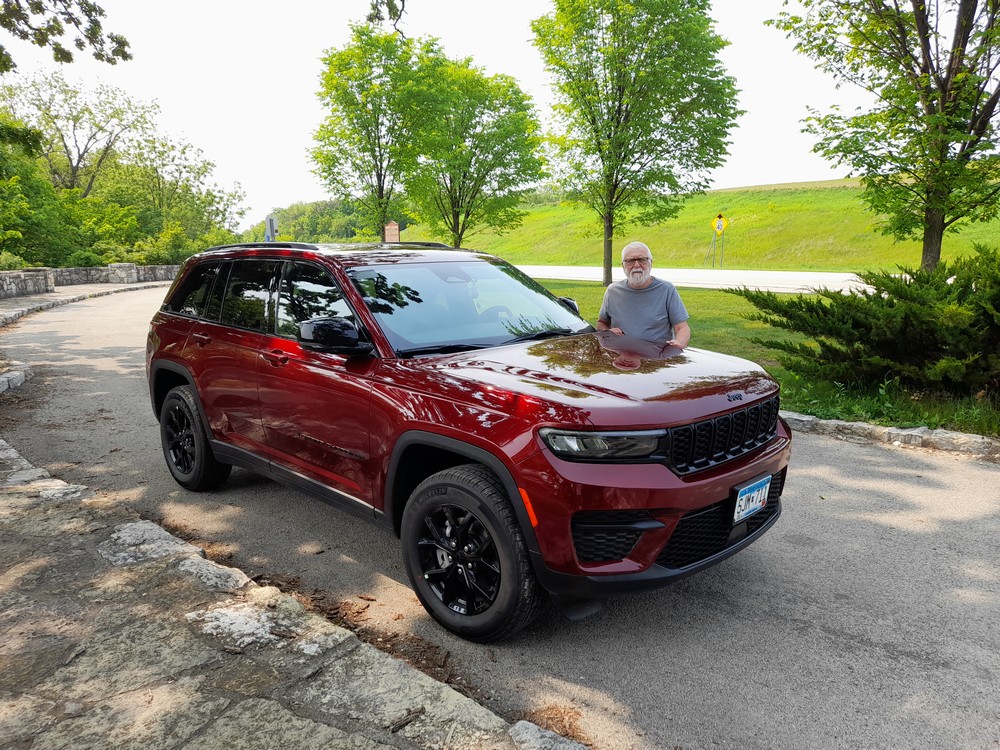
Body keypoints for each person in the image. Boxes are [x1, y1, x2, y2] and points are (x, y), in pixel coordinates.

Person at [596, 241, 691, 348]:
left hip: (657, 355)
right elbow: (601, 323)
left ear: (651, 263)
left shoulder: (667, 290)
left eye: (642, 260)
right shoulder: (612, 291)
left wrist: (679, 344)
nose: (637, 265)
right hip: (622, 354)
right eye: (630, 261)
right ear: (623, 265)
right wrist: (607, 332)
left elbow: (682, 328)